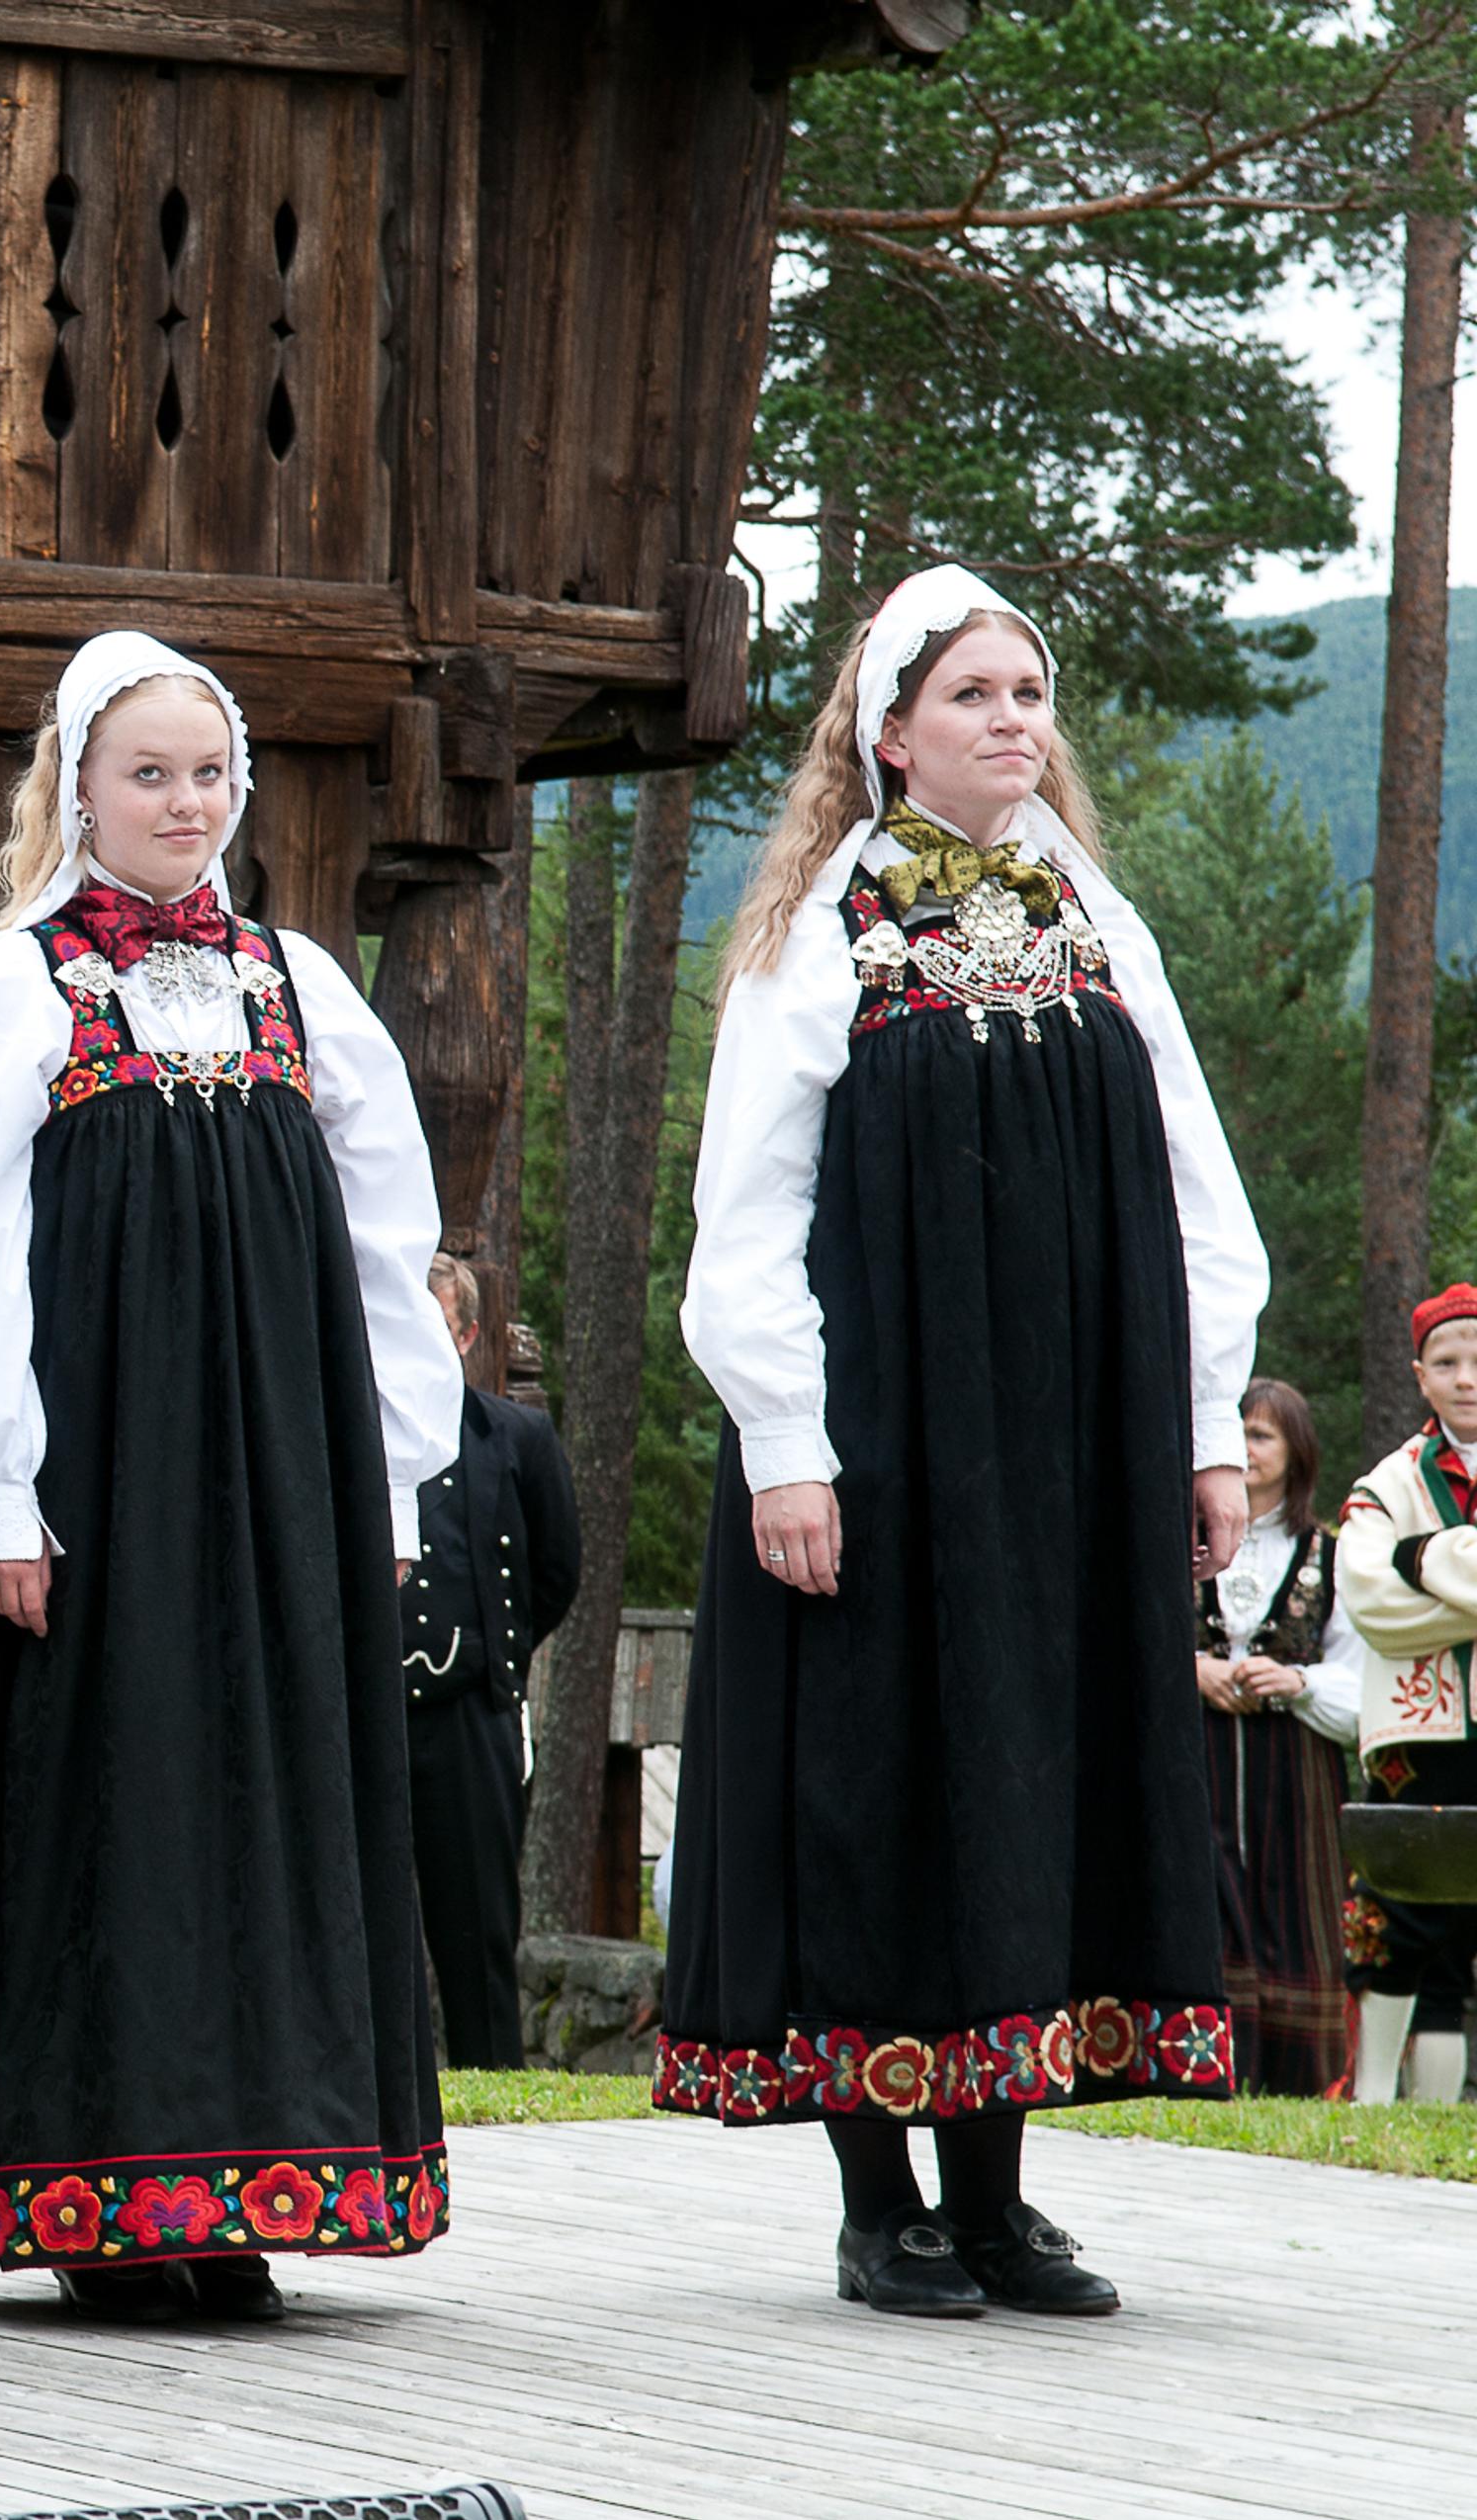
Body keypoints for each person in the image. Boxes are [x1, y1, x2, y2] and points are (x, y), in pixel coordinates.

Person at [659, 565, 1263, 2321]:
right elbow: (746, 1212)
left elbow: (1193, 1186)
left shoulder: (1096, 920)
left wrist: (1203, 1422)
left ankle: (997, 2195)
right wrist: (789, 1441)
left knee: (1031, 1774)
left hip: (1066, 1439)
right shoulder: (823, 934)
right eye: (977, 695)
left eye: (1029, 692)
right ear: (893, 733)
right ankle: (880, 2195)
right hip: (889, 1440)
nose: (1015, 719)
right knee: (882, 1779)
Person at [0, 631, 460, 2324]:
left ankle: (255, 2176)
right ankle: (103, 2193)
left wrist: (394, 1480)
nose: (186, 803)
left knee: (264, 1795)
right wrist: (0, 1483)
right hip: (100, 1473)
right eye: (150, 772)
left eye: (209, 773)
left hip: (276, 1469)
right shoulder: (22, 989)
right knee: (112, 1790)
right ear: (77, 787)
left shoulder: (301, 988)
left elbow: (389, 1248)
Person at [400, 1254, 579, 2070]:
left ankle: (491, 2084)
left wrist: (488, 1657)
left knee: (477, 1930)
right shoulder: (338, 1434)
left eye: (437, 1330)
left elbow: (555, 1572)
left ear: (469, 1335)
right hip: (364, 1721)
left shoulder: (514, 1436)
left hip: (469, 1716)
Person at [1329, 1290, 1477, 2110]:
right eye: (1449, 1363)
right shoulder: (1387, 1482)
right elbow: (1370, 1603)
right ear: (1420, 1376)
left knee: (1466, 1926)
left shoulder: (1401, 1510)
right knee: (1402, 1906)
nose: (1467, 1379)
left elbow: (1397, 1583)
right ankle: (1375, 2097)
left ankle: (1442, 2112)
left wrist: (1427, 1557)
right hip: (1418, 1724)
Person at [1192, 1377, 1360, 2099]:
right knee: (1199, 1902)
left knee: (1297, 1907)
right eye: (1232, 1432)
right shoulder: (1176, 1541)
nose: (1244, 1448)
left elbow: (1362, 1683)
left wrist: (1298, 1683)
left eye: (1260, 1434)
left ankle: (1298, 2082)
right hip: (1193, 1756)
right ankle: (1201, 2070)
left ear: (1296, 1451)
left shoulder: (1334, 1554)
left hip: (1295, 1767)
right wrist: (1191, 1669)